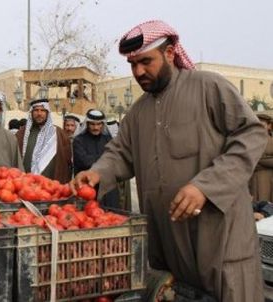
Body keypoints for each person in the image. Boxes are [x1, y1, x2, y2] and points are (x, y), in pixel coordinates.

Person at [71, 20, 267, 301]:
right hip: (169, 244)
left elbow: (251, 134)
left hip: (220, 242)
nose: (139, 72)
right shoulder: (138, 112)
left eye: (146, 62)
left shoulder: (208, 86)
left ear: (171, 53)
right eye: (133, 65)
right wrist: (98, 173)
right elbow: (120, 153)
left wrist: (205, 187)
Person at [16, 99, 72, 183]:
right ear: (31, 113)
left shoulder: (59, 134)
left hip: (52, 186)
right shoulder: (21, 133)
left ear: (47, 113)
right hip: (26, 185)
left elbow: (68, 162)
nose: (39, 113)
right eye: (36, 110)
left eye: (42, 110)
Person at [73, 109, 120, 208]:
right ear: (87, 124)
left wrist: (104, 159)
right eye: (92, 124)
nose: (96, 127)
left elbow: (114, 159)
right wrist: (105, 159)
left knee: (111, 218)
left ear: (103, 125)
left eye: (99, 124)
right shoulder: (78, 140)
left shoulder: (108, 139)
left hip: (108, 188)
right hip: (87, 188)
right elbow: (85, 162)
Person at [249, 113, 273, 203]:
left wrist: (259, 161)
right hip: (255, 179)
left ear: (269, 126)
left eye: (262, 124)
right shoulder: (250, 142)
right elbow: (248, 161)